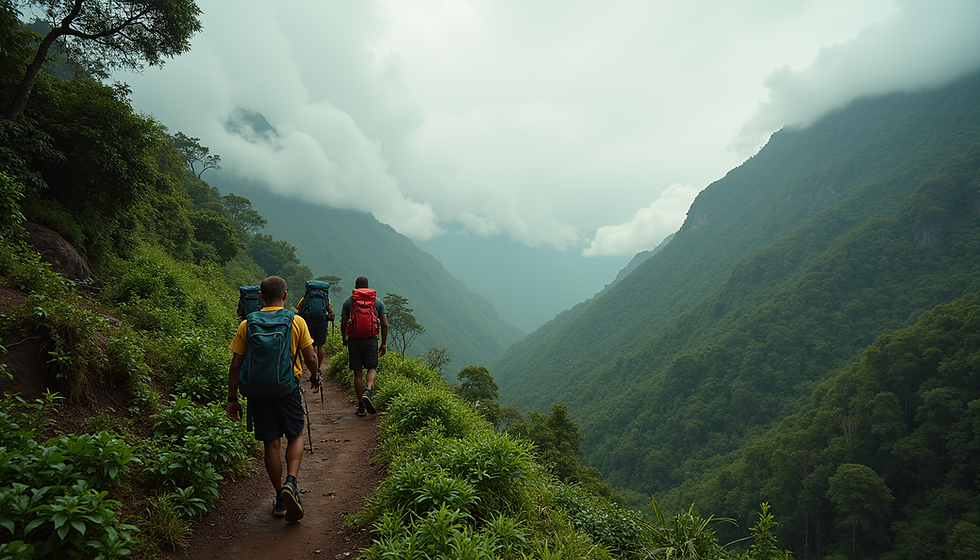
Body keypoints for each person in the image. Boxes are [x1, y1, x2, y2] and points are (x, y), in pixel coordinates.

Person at [226, 276, 319, 522]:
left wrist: (232, 398)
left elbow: (236, 365)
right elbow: (310, 358)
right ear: (286, 296)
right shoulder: (296, 321)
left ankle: (279, 497)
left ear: (260, 297)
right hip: (287, 389)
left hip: (258, 392)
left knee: (271, 444)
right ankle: (291, 482)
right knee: (295, 434)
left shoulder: (248, 323)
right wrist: (314, 378)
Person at [340, 276, 388, 416]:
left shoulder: (349, 302)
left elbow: (343, 322)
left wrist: (344, 338)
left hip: (354, 340)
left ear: (356, 286)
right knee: (372, 368)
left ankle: (361, 406)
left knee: (357, 373)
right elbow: (384, 324)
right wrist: (383, 343)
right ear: (368, 286)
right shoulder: (377, 302)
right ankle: (369, 389)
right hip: (371, 340)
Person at [295, 292, 334, 393]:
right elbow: (330, 312)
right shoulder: (326, 299)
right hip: (321, 325)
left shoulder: (304, 299)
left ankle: (311, 368)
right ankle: (318, 368)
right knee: (320, 346)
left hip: (308, 324)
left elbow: (299, 311)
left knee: (310, 345)